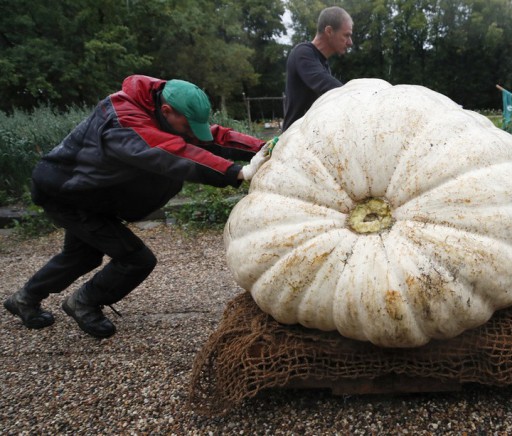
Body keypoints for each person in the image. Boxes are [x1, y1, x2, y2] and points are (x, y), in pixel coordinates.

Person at [3, 75, 274, 339]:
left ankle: (24, 299)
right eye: (188, 125)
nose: (192, 132)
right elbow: (171, 153)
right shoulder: (124, 121)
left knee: (82, 256)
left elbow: (212, 136)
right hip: (66, 194)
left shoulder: (160, 112)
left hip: (88, 195)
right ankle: (83, 302)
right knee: (135, 259)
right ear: (166, 110)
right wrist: (236, 172)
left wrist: (263, 147)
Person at [282, 6, 353, 131]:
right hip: (293, 143)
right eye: (346, 35)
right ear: (329, 31)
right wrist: (360, 96)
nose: (350, 42)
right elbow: (327, 85)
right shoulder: (302, 53)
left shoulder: (321, 63)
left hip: (310, 140)